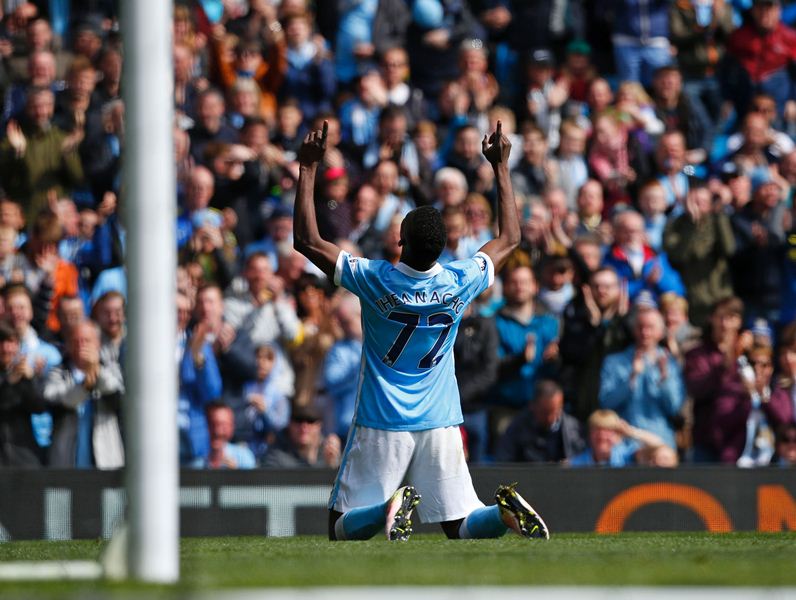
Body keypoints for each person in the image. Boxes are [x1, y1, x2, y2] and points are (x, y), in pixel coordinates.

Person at [293, 121, 549, 542]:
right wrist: (501, 167)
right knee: (461, 525)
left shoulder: (374, 279)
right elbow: (510, 237)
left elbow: (307, 240)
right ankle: (502, 512)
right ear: (443, 245)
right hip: (441, 419)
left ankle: (386, 506)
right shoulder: (459, 279)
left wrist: (307, 169)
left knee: (338, 529)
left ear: (400, 241)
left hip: (382, 418)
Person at [495, 379, 585, 464]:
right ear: (533, 406)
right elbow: (504, 463)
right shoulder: (517, 429)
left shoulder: (574, 429)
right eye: (545, 412)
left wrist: (572, 465)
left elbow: (584, 461)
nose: (550, 418)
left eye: (555, 412)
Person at [260, 405, 341, 469]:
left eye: (310, 421)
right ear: (289, 424)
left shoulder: (328, 453)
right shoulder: (275, 455)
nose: (304, 427)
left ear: (319, 426)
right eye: (298, 420)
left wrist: (332, 468)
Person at [192, 402, 256, 470]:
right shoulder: (193, 460)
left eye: (223, 425)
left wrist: (236, 475)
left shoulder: (244, 456)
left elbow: (254, 480)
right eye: (212, 424)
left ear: (232, 427)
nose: (217, 431)